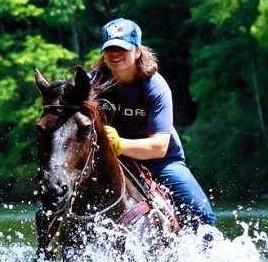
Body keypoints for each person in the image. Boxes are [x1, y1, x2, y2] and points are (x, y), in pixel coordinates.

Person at [89, 17, 216, 230]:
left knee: (202, 213)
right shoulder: (91, 82)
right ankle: (45, 256)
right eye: (109, 48)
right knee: (49, 207)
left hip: (160, 161)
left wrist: (120, 144)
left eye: (122, 48)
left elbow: (159, 146)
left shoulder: (155, 86)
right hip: (107, 158)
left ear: (137, 51)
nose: (115, 54)